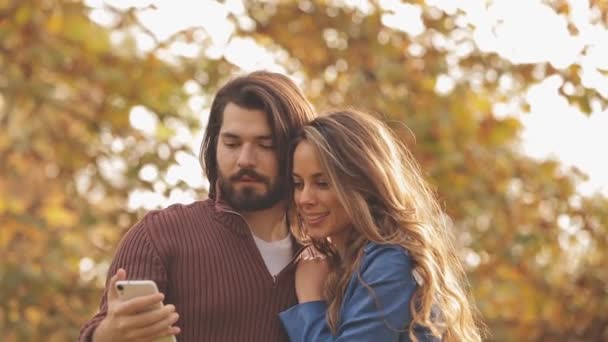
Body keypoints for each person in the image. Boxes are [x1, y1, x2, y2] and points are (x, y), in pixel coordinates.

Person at [78, 70, 316, 342]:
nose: (245, 159)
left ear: (299, 150)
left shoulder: (330, 259)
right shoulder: (161, 235)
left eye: (266, 144)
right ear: (214, 146)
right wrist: (106, 336)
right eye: (232, 143)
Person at [279, 109, 483, 341]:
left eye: (323, 183)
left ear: (364, 182)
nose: (305, 198)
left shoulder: (390, 262)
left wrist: (310, 302)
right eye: (298, 183)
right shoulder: (346, 263)